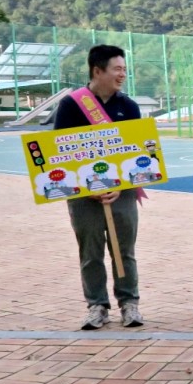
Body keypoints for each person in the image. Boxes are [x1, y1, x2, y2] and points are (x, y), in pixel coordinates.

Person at [53, 45, 144, 330]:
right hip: (83, 196)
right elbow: (60, 154)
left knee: (124, 250)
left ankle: (129, 303)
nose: (122, 74)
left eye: (124, 69)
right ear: (97, 71)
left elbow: (137, 154)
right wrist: (86, 188)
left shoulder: (128, 107)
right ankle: (97, 306)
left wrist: (121, 184)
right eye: (117, 69)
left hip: (122, 193)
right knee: (90, 251)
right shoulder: (71, 105)